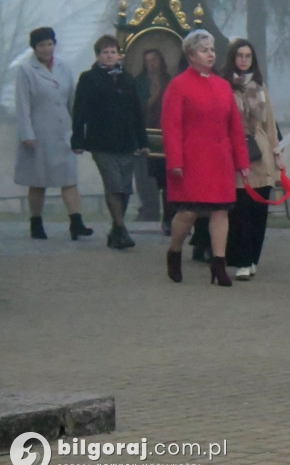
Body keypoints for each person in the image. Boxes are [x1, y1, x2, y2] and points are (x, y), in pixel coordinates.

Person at [162, 29, 249, 287]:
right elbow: (171, 126)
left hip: (220, 158)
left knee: (221, 211)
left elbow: (235, 126)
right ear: (190, 55)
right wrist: (175, 161)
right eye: (204, 50)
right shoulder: (178, 85)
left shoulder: (222, 86)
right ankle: (175, 250)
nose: (210, 54)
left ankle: (219, 264)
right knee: (188, 213)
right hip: (192, 159)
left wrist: (242, 161)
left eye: (212, 50)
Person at [14, 27, 94, 241]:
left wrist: (78, 131)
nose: (47, 49)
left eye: (50, 44)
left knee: (68, 178)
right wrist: (26, 134)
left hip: (62, 133)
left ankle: (76, 222)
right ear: (35, 48)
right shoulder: (26, 71)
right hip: (39, 134)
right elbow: (22, 105)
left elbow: (72, 101)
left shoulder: (64, 67)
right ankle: (36, 222)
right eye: (42, 45)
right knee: (38, 181)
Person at [71, 35, 149, 250]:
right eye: (105, 52)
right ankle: (122, 228)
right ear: (98, 56)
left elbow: (136, 113)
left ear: (119, 55)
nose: (110, 55)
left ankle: (116, 231)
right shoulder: (89, 78)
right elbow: (80, 111)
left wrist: (143, 142)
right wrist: (78, 139)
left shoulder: (127, 78)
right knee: (113, 184)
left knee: (124, 188)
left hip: (127, 142)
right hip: (101, 142)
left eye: (113, 52)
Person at [221, 39, 283, 281]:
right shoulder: (225, 86)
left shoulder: (259, 86)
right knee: (239, 210)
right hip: (235, 149)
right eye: (240, 55)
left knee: (259, 210)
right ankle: (241, 259)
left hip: (261, 150)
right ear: (232, 58)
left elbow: (270, 122)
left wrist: (277, 153)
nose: (244, 60)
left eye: (248, 55)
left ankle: (252, 257)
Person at [136, 48, 174, 234]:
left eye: (154, 59)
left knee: (168, 180)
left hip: (167, 134)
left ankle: (169, 218)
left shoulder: (170, 81)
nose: (151, 63)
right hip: (147, 135)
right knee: (151, 176)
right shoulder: (140, 83)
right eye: (148, 60)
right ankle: (149, 208)